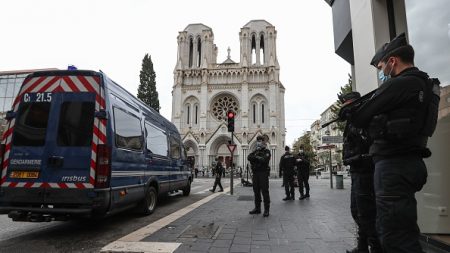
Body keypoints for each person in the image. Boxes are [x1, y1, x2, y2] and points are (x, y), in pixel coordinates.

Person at [352, 33, 440, 252]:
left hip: (394, 165)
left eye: (381, 67)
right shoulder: (426, 85)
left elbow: (360, 116)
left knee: (395, 237)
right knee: (403, 228)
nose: (382, 73)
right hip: (412, 162)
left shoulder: (401, 84)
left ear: (393, 61)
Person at [341, 92, 382, 253]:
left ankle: (376, 248)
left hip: (365, 171)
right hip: (356, 169)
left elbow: (366, 140)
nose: (343, 106)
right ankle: (362, 246)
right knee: (357, 211)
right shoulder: (354, 118)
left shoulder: (364, 118)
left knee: (367, 213)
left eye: (345, 103)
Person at [248, 135, 271, 217]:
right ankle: (257, 208)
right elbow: (249, 157)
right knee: (256, 191)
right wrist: (257, 157)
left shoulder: (267, 151)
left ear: (263, 142)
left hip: (263, 173)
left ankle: (266, 210)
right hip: (255, 174)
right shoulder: (255, 151)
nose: (258, 142)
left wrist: (256, 158)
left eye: (260, 141)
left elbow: (264, 160)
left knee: (265, 191)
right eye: (257, 141)